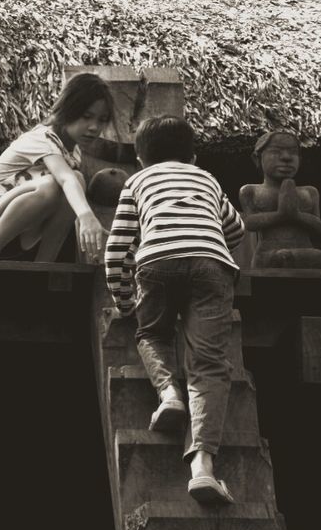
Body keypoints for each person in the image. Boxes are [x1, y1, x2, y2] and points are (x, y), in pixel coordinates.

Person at [104, 115, 245, 506]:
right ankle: (202, 469)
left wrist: (123, 300)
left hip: (155, 262)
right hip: (211, 266)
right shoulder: (207, 179)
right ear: (194, 155)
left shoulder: (136, 182)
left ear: (140, 158)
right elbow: (237, 229)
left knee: (152, 333)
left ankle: (169, 394)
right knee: (210, 364)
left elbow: (117, 247)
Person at [0, 73, 114, 262]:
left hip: (21, 235)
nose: (94, 127)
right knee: (58, 183)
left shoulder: (74, 151)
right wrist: (86, 216)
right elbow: (64, 179)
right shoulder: (42, 137)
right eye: (86, 116)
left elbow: (69, 191)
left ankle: (45, 263)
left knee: (77, 180)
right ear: (67, 110)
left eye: (102, 120)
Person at [239, 129, 321, 269]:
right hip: (268, 252)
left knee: (318, 256)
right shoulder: (250, 191)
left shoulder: (310, 192)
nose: (286, 157)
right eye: (276, 151)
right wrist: (281, 215)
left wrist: (296, 215)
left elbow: (317, 225)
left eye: (293, 152)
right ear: (257, 159)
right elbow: (250, 223)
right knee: (282, 257)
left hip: (305, 251)